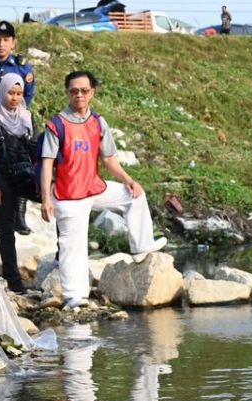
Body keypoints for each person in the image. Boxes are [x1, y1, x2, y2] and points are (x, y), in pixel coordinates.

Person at [39, 71, 166, 311]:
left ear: (92, 93)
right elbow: (47, 164)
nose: (79, 95)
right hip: (69, 195)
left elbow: (109, 159)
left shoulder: (98, 122)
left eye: (84, 90)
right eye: (74, 91)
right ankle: (75, 298)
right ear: (67, 93)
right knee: (72, 246)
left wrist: (129, 180)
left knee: (134, 196)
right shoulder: (57, 125)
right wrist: (46, 199)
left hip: (93, 187)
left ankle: (141, 247)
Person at [0, 73, 37, 293]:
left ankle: (63, 260)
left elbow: (35, 148)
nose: (14, 98)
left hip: (25, 175)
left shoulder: (27, 118)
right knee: (6, 229)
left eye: (19, 93)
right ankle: (13, 280)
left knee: (60, 203)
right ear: (3, 92)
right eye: (10, 93)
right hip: (2, 177)